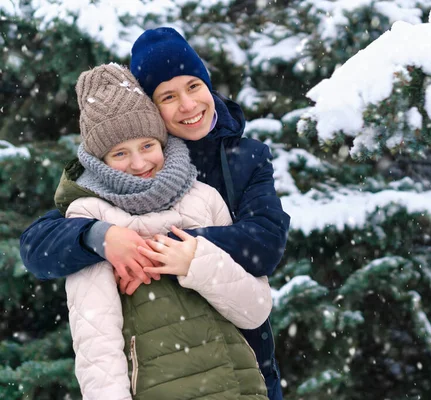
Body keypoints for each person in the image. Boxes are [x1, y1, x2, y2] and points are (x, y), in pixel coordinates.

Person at [20, 28, 290, 399]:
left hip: (245, 370)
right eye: (168, 96)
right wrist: (100, 237)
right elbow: (38, 247)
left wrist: (159, 250)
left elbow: (265, 244)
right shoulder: (102, 195)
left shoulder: (240, 162)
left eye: (194, 86)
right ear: (152, 108)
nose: (188, 105)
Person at [64, 63, 270, 399]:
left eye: (147, 145)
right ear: (99, 161)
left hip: (240, 387)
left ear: (162, 140)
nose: (139, 163)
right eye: (119, 153)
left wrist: (195, 262)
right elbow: (95, 338)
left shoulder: (204, 198)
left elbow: (255, 309)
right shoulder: (90, 216)